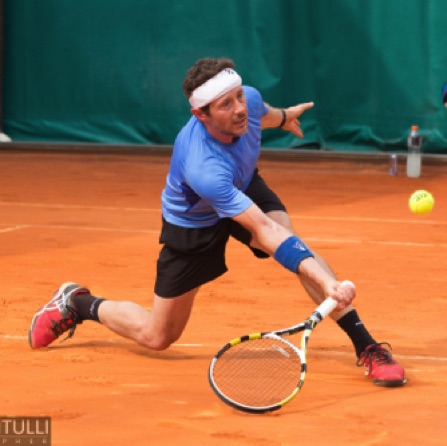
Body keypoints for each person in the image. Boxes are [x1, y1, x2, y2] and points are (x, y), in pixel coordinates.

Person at [28, 57, 406, 387]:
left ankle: (366, 345)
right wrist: (327, 282)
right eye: (226, 105)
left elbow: (263, 112)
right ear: (201, 115)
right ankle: (78, 304)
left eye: (239, 97)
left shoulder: (248, 102)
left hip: (242, 184)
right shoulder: (203, 166)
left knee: (297, 247)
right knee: (157, 336)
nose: (239, 109)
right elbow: (265, 231)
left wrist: (285, 117)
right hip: (194, 221)